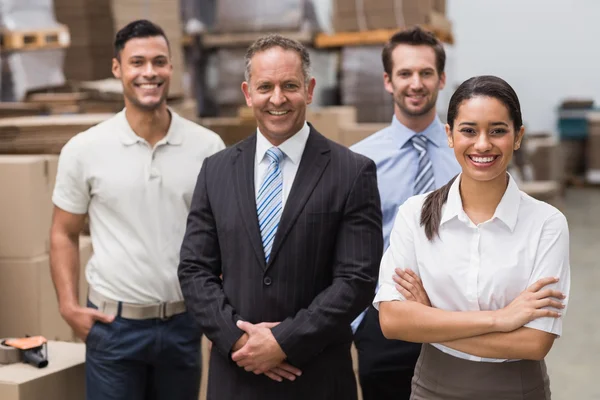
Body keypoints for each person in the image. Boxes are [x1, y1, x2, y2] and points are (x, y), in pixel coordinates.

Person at [178, 34, 383, 400]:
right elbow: (195, 270)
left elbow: (357, 279)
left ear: (309, 89)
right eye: (265, 87)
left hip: (316, 377)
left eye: (289, 85)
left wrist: (283, 341)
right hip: (236, 375)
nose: (277, 99)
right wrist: (240, 340)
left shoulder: (352, 172)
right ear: (247, 92)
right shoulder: (216, 170)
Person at [50, 19, 225, 400]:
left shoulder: (208, 147)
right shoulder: (85, 149)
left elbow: (223, 240)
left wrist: (220, 318)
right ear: (117, 69)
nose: (149, 72)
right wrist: (68, 306)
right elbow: (62, 232)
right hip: (114, 327)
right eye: (137, 62)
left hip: (184, 325)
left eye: (159, 62)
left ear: (171, 68)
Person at [374, 75, 570, 399]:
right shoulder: (415, 214)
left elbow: (534, 343)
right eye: (468, 130)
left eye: (497, 130)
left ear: (517, 137)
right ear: (449, 134)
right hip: (431, 389)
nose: (482, 144)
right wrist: (501, 318)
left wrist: (431, 319)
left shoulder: (547, 224)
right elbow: (393, 321)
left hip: (518, 390)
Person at [350, 26, 461, 399]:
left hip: (456, 318)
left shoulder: (468, 157)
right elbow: (347, 247)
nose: (416, 83)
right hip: (385, 322)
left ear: (442, 79)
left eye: (426, 73)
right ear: (387, 81)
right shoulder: (359, 161)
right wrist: (356, 323)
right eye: (405, 73)